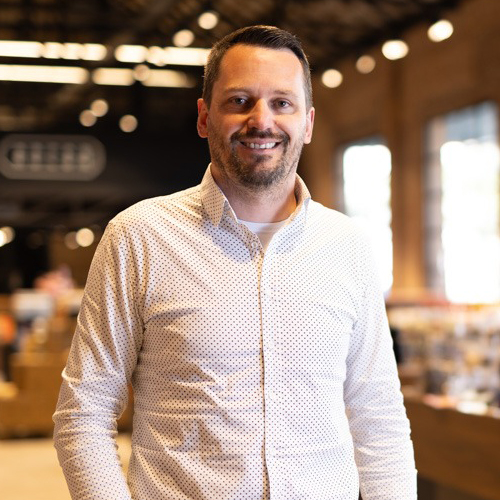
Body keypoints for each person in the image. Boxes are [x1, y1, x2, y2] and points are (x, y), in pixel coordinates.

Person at [53, 25, 417, 500]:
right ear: (205, 117)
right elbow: (84, 412)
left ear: (307, 123)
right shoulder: (140, 237)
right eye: (240, 101)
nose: (261, 121)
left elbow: (378, 417)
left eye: (282, 103)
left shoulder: (347, 246)